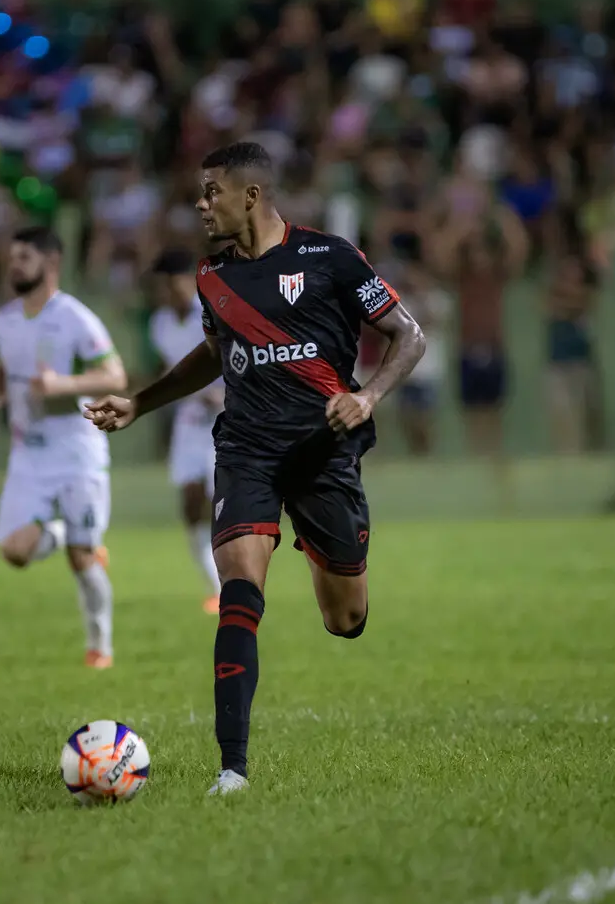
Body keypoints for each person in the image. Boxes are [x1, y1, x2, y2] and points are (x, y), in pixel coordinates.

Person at [84, 142, 426, 796]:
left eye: (211, 191)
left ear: (251, 196)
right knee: (239, 590)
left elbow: (409, 335)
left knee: (346, 619)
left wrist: (369, 397)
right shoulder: (212, 275)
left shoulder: (330, 257)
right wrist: (139, 403)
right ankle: (232, 769)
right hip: (247, 450)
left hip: (324, 451)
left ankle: (319, 550)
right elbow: (215, 353)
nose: (200, 204)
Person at [0, 227, 127, 669]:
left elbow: (115, 376)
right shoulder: (5, 319)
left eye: (24, 257)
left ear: (51, 263)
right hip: (29, 455)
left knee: (82, 559)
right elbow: (8, 368)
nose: (14, 266)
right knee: (14, 551)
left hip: (77, 453)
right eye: (12, 258)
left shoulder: (75, 318)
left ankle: (100, 647)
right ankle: (60, 533)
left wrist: (64, 384)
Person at [148, 250, 224, 613]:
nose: (165, 292)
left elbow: (237, 358)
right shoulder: (160, 323)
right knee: (191, 504)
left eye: (170, 283)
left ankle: (239, 580)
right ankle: (217, 588)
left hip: (224, 418)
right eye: (160, 286)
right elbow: (170, 368)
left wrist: (223, 395)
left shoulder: (212, 313)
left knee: (221, 502)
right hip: (189, 421)